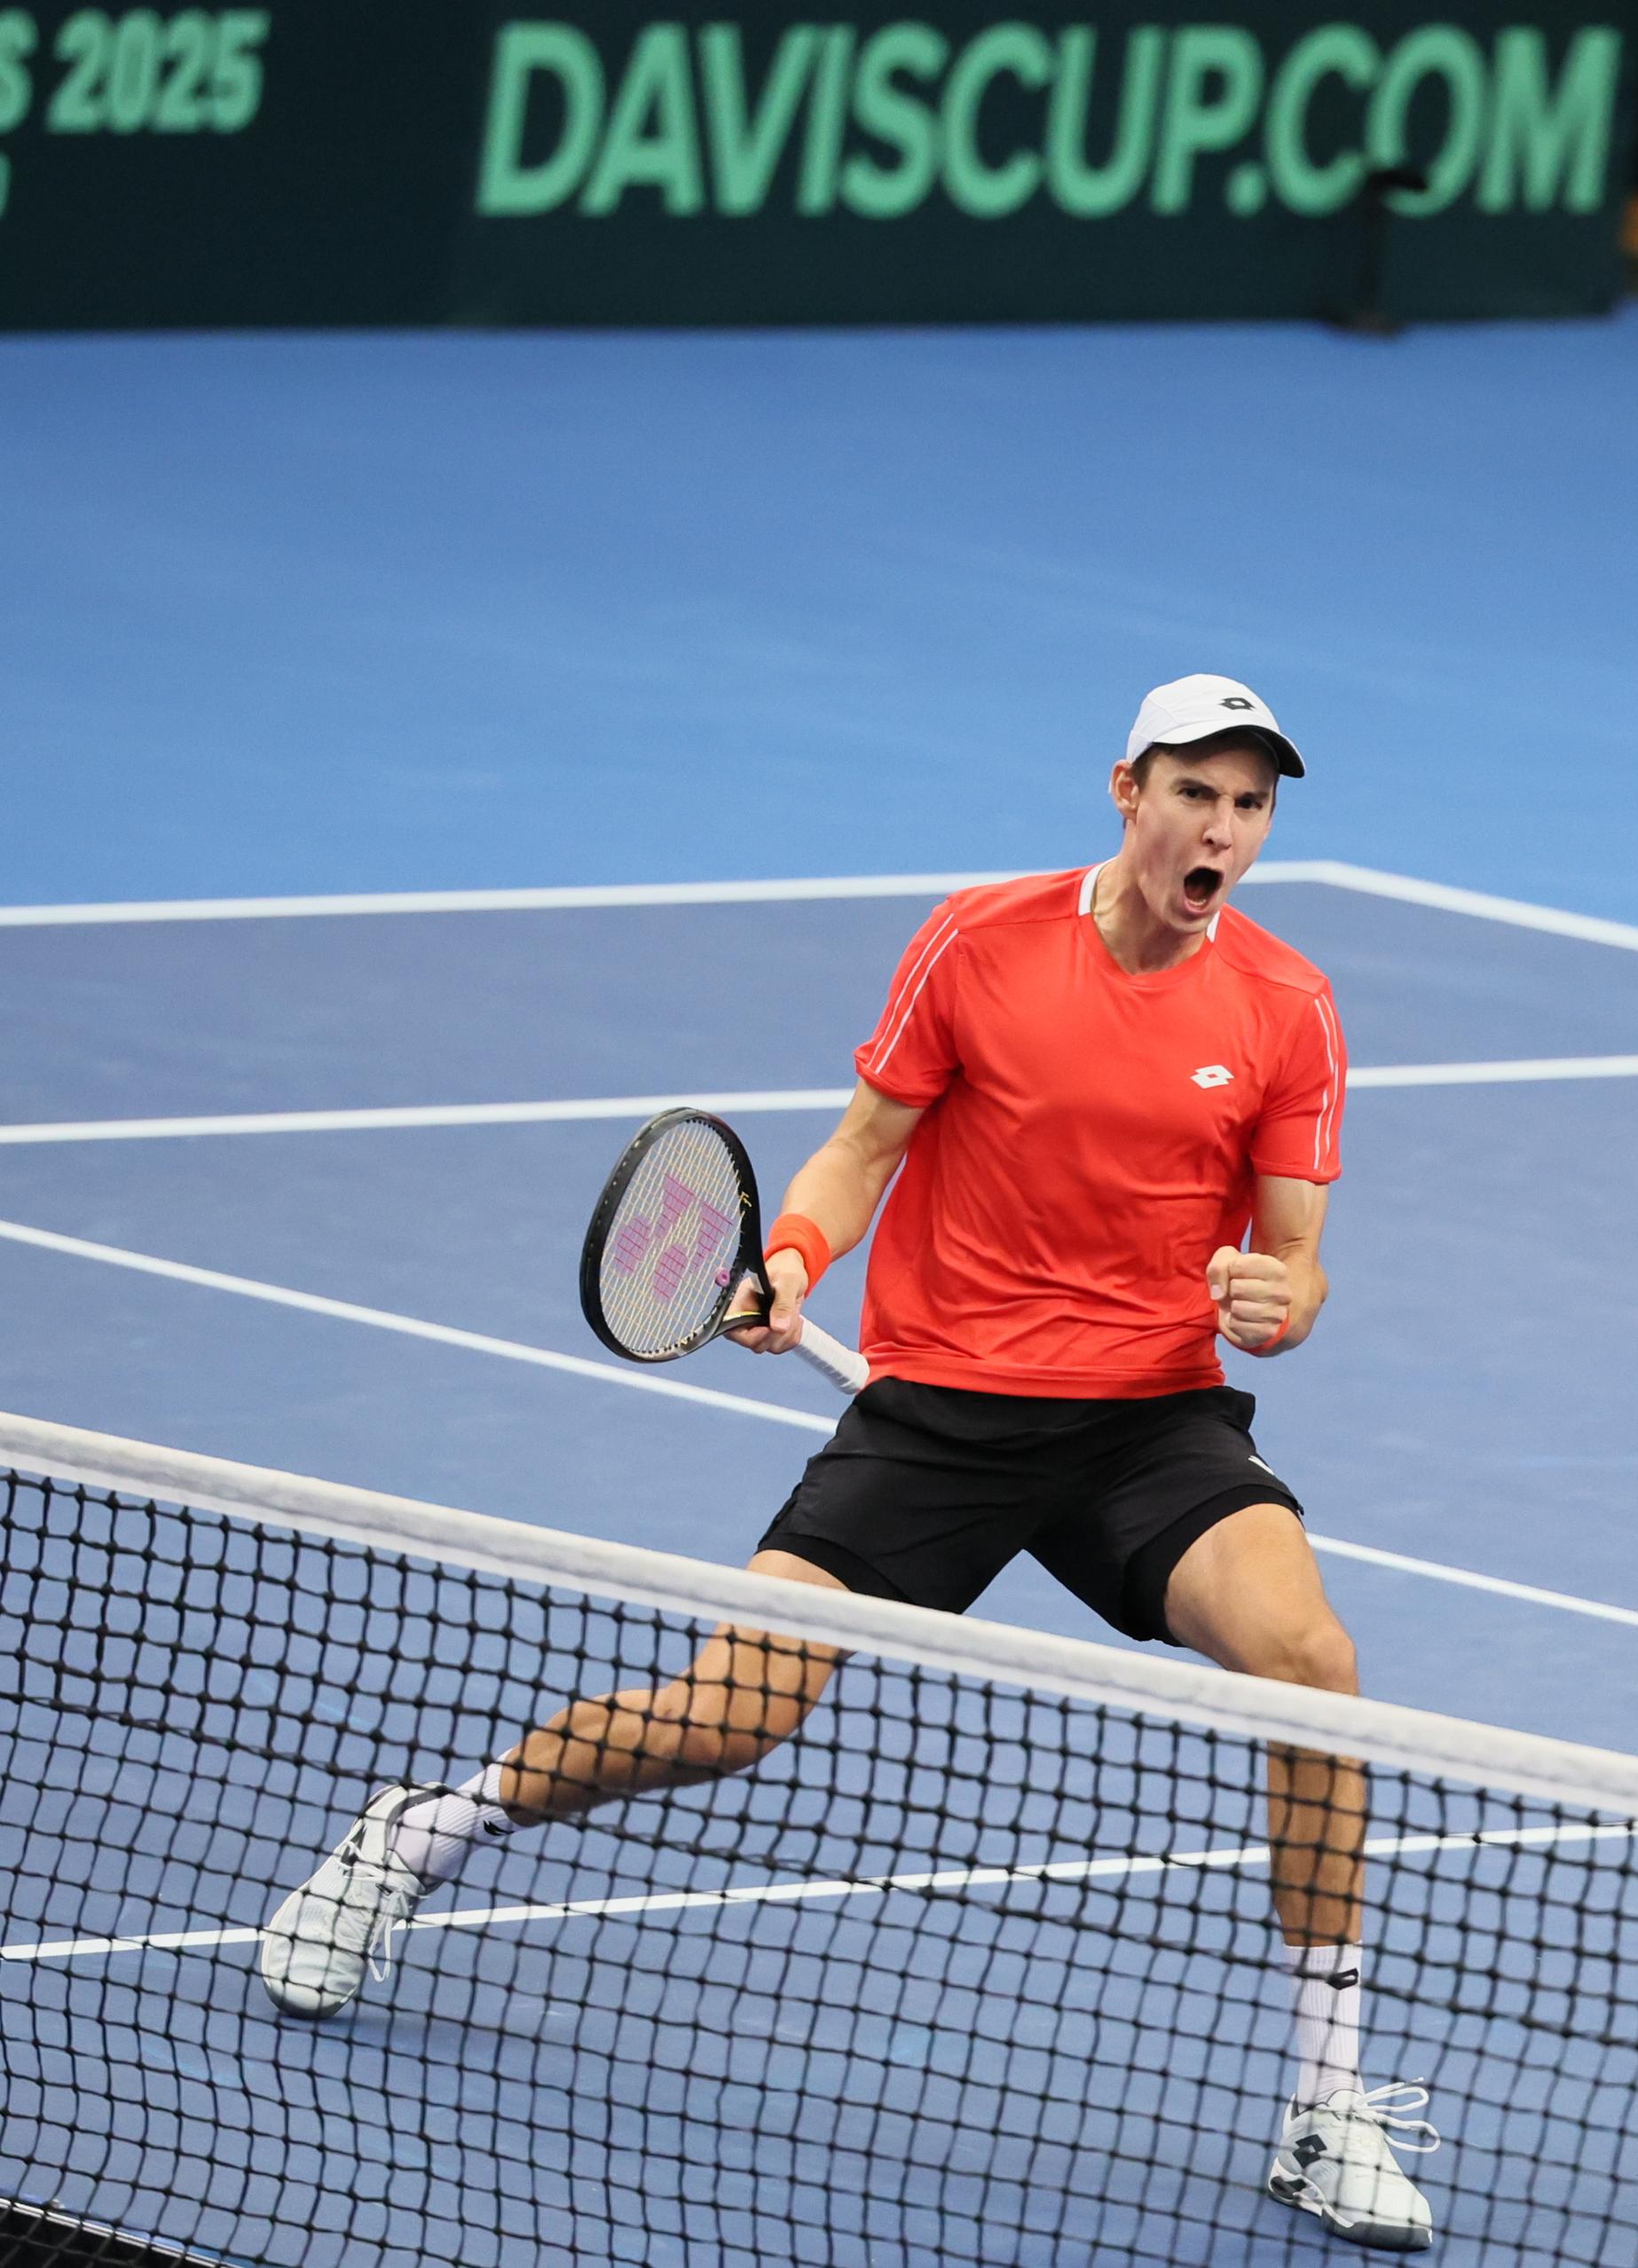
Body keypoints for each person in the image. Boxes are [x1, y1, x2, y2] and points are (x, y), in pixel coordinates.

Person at [260, 672, 1437, 2251]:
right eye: (1196, 793)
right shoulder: (980, 940)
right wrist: (799, 1250)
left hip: (1146, 1420)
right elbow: (866, 1140)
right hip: (940, 1408)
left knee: (1311, 1669)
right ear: (1126, 791)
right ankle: (411, 1840)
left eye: (1252, 803)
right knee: (726, 1718)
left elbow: (1297, 1263)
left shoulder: (1288, 1007)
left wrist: (1282, 1307)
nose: (1222, 828)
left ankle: (1326, 2105)